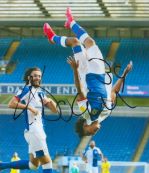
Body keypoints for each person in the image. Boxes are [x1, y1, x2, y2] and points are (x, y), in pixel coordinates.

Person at [43, 7, 133, 138]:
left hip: (85, 73)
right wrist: (125, 74)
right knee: (90, 42)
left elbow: (80, 92)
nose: (93, 133)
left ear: (85, 126)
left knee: (75, 42)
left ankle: (52, 38)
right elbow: (114, 92)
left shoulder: (86, 113)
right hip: (100, 72)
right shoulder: (106, 114)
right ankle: (71, 22)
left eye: (89, 133)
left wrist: (75, 70)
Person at [0, 67, 77, 173]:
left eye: (39, 76)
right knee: (47, 162)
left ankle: (2, 165)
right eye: (35, 76)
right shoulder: (25, 90)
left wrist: (52, 104)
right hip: (34, 131)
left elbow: (54, 110)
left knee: (33, 164)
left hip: (38, 131)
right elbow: (11, 103)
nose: (38, 78)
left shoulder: (40, 92)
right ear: (29, 77)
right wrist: (29, 107)